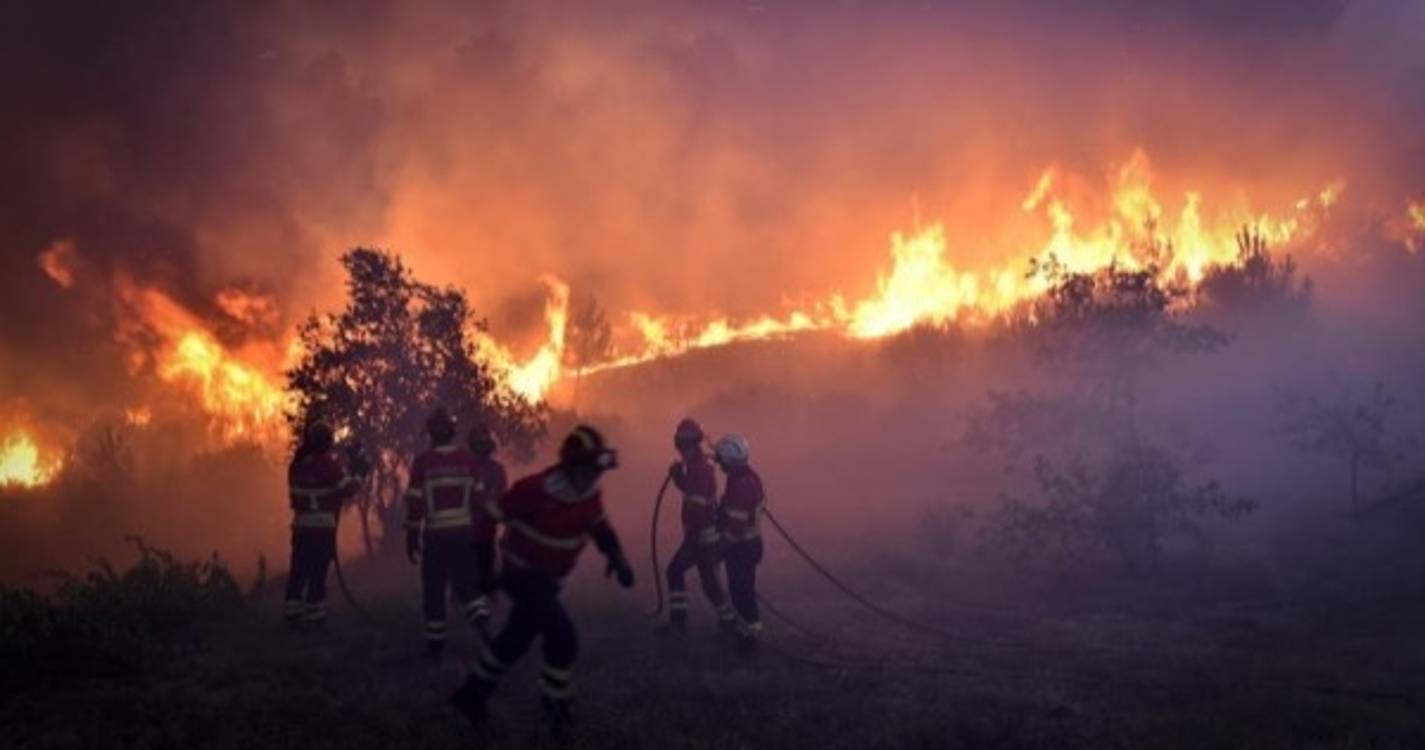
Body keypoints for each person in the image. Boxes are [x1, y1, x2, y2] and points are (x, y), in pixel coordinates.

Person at [450, 424, 635, 729]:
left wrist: (617, 557)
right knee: (563, 639)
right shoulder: (534, 489)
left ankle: (470, 696)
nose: (592, 478)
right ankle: (556, 708)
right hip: (522, 575)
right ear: (570, 466)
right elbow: (489, 518)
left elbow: (599, 526)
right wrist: (484, 569)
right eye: (587, 470)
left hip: (549, 580)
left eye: (596, 471)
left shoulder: (588, 493)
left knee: (515, 639)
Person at [405, 407, 491, 659]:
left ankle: (435, 646)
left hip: (435, 538)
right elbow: (479, 499)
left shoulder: (422, 463)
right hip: (463, 535)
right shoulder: (468, 461)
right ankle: (484, 625)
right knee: (467, 585)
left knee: (434, 589)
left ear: (430, 433)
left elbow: (415, 502)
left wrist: (411, 536)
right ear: (453, 432)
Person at [283, 420, 362, 629]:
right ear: (327, 442)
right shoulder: (327, 464)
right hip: (322, 530)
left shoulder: (297, 466)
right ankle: (315, 620)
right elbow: (346, 489)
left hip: (301, 529)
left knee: (298, 572)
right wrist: (360, 474)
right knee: (317, 574)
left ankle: (292, 618)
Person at [662, 418, 734, 632]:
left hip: (701, 537)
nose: (682, 449)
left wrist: (692, 538)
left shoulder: (700, 468)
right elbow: (693, 492)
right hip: (702, 535)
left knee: (674, 571)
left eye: (685, 445)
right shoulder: (696, 465)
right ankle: (727, 620)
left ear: (692, 444)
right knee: (709, 582)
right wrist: (678, 478)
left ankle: (678, 621)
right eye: (681, 445)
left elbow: (699, 504)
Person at [713, 433, 766, 653]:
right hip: (749, 545)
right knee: (741, 590)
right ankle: (746, 632)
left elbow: (736, 528)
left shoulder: (741, 485)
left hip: (742, 548)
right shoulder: (746, 477)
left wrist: (719, 550)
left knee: (741, 593)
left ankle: (751, 641)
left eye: (721, 460)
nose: (719, 464)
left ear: (730, 461)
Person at [467, 422, 508, 610]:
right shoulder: (465, 467)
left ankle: (489, 598)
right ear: (473, 445)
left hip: (487, 528)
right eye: (479, 443)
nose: (483, 447)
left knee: (487, 563)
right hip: (466, 527)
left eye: (486, 444)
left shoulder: (497, 469)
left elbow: (502, 494)